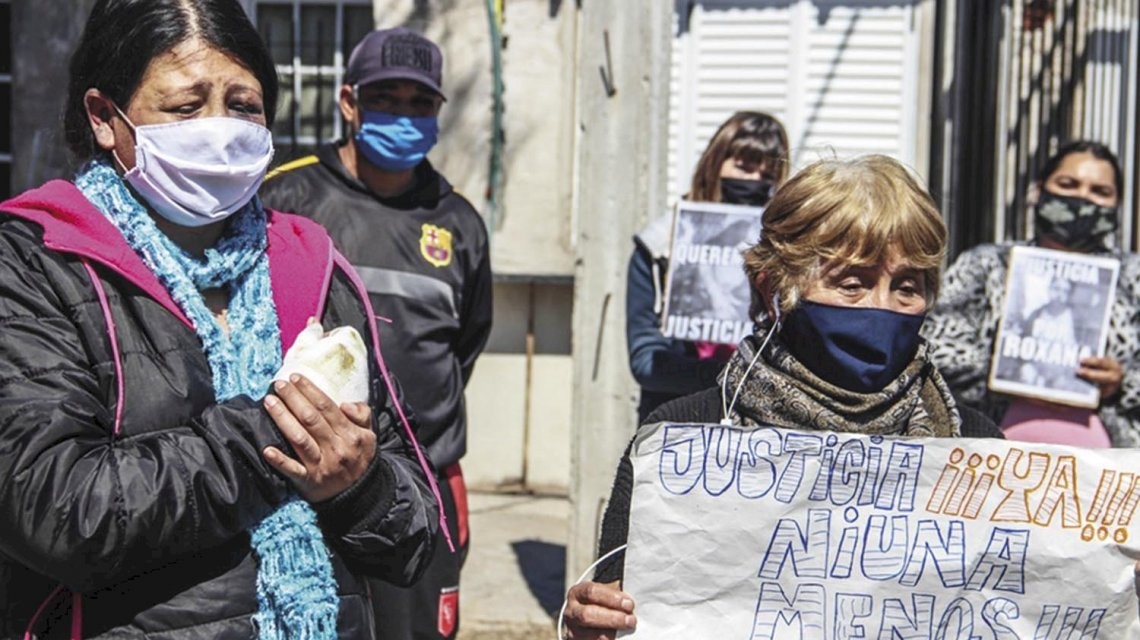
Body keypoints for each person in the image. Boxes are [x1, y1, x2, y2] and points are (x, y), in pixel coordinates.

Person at [0, 1, 441, 637]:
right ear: (104, 117)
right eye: (186, 107)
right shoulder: (40, 261)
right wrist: (273, 435)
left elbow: (414, 530)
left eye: (244, 105)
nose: (220, 128)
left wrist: (358, 485)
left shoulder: (310, 265)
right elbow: (53, 511)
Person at [562, 155, 1003, 638]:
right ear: (774, 288)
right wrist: (594, 623)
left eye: (906, 287)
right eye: (852, 284)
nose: (883, 307)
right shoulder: (683, 442)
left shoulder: (979, 449)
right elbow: (623, 602)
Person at [259, 26, 491, 640]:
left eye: (421, 103)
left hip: (426, 481)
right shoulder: (287, 195)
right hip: (306, 477)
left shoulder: (459, 221)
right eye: (387, 98)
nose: (405, 115)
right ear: (348, 102)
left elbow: (465, 343)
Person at [923, 141, 1139, 447]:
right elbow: (934, 350)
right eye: (1068, 184)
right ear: (1038, 191)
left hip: (1114, 471)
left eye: (1099, 192)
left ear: (1116, 205)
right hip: (990, 458)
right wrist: (1006, 371)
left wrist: (1121, 383)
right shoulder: (987, 265)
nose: (1082, 198)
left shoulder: (1134, 278)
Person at [627, 111, 788, 422]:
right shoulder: (659, 247)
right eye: (743, 167)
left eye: (766, 175)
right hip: (677, 420)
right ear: (714, 165)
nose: (753, 181)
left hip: (761, 424)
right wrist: (730, 375)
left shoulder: (787, 250)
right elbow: (646, 361)